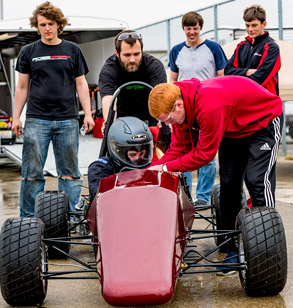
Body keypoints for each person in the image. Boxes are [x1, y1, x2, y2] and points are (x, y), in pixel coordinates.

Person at [147, 76, 283, 275]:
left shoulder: (209, 106)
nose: (168, 124)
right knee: (228, 184)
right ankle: (232, 248)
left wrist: (166, 168)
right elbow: (178, 150)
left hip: (263, 122)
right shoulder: (179, 108)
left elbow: (204, 155)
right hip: (232, 128)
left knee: (256, 181)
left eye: (168, 119)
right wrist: (152, 170)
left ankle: (265, 247)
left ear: (178, 105)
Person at [12, 1, 95, 217]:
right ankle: (27, 222)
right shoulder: (28, 51)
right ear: (37, 26)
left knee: (69, 173)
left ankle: (70, 218)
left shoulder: (72, 50)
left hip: (67, 120)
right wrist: (16, 118)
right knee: (31, 173)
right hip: (36, 120)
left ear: (59, 25)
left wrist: (87, 113)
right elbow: (21, 87)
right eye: (42, 24)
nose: (47, 28)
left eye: (51, 24)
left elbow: (81, 84)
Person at [168, 11, 227, 206]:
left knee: (207, 155)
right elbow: (172, 80)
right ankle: (186, 195)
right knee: (185, 152)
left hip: (207, 108)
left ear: (200, 28)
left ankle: (202, 196)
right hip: (184, 110)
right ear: (183, 29)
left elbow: (222, 76)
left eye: (195, 28)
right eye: (188, 28)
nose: (192, 32)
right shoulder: (176, 50)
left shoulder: (213, 48)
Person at [98, 30, 167, 127]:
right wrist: (110, 123)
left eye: (136, 54)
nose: (132, 60)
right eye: (127, 55)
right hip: (121, 121)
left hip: (151, 120)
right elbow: (109, 99)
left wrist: (163, 120)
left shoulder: (154, 66)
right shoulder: (109, 70)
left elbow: (161, 96)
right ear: (117, 53)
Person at [88, 117, 153, 201]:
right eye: (132, 155)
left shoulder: (153, 166)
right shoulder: (100, 168)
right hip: (115, 209)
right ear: (117, 150)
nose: (138, 158)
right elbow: (101, 197)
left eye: (142, 154)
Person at [224, 5, 280, 95]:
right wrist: (247, 71)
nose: (250, 29)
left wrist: (237, 79)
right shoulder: (241, 46)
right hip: (243, 102)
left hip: (265, 104)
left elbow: (260, 78)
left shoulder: (271, 48)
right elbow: (227, 71)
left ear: (264, 24)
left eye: (254, 25)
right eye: (247, 25)